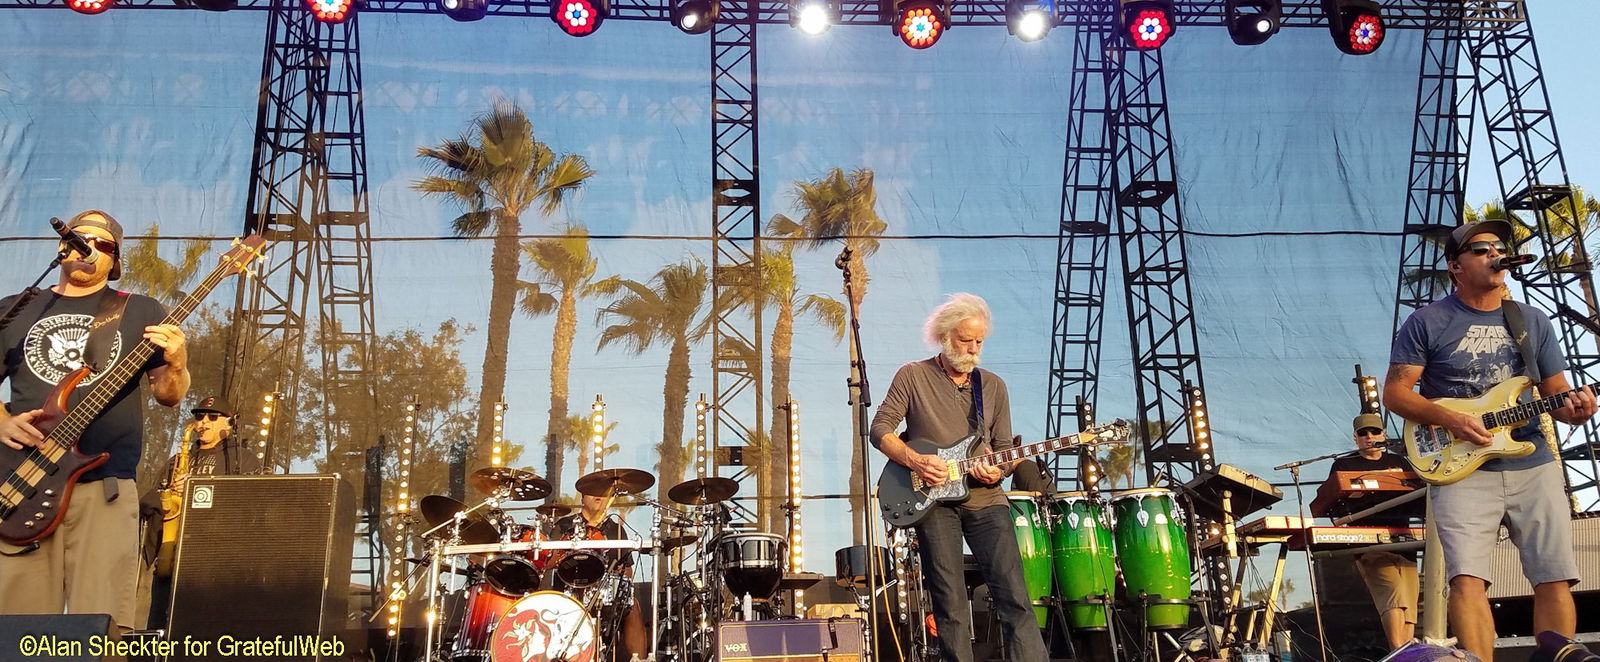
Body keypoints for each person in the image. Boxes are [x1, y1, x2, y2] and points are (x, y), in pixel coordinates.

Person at [1384, 220, 1594, 662]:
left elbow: (1557, 397)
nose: (1495, 254)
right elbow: (1396, 394)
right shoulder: (1427, 321)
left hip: (1532, 462)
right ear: (1455, 266)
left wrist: (1577, 408)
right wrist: (1452, 420)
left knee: (1554, 575)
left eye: (1499, 247)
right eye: (1481, 249)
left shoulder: (1531, 321)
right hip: (1460, 468)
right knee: (1468, 578)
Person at [0, 210, 191, 631]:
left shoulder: (140, 310)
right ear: (62, 245)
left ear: (114, 259)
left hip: (104, 487)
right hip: (20, 484)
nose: (89, 248)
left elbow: (169, 395)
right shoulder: (16, 308)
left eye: (103, 244)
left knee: (102, 627)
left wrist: (177, 363)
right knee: (17, 630)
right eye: (80, 238)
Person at [870, 293, 1047, 662]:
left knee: (1014, 596)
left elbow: (1004, 448)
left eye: (979, 341)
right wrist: (916, 460)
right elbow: (880, 429)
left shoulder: (993, 385)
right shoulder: (913, 375)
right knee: (949, 603)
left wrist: (998, 470)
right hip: (932, 501)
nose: (973, 349)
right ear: (944, 336)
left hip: (986, 500)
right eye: (966, 339)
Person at [143, 395, 255, 628]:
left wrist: (195, 488)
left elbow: (247, 505)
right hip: (172, 555)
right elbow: (154, 500)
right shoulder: (177, 460)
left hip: (214, 559)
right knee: (160, 627)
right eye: (199, 416)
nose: (203, 421)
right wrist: (168, 492)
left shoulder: (243, 459)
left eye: (212, 417)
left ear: (229, 423)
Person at [1325, 413, 1418, 650]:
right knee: (1393, 594)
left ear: (1383, 434)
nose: (1370, 437)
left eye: (1375, 432)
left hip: (1403, 540)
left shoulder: (1399, 462)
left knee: (1409, 603)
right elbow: (1332, 501)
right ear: (1355, 437)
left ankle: (1406, 652)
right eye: (1363, 433)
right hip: (1369, 542)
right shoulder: (1344, 465)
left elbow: (1418, 493)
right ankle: (1398, 652)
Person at [552, 492, 648, 662]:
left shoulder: (617, 530)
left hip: (605, 593)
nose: (599, 495)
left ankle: (639, 660)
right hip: (570, 591)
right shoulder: (564, 525)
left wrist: (620, 574)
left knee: (632, 605)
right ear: (582, 498)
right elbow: (549, 561)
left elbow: (627, 572)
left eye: (604, 492)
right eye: (593, 491)